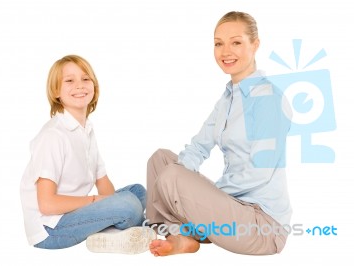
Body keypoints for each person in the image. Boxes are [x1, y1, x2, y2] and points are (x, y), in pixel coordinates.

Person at [146, 11, 292, 256]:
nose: (226, 51)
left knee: (172, 177)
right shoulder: (228, 98)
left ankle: (184, 230)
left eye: (236, 42)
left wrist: (199, 191)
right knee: (161, 160)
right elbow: (199, 147)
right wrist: (185, 183)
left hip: (261, 226)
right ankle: (179, 235)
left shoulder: (268, 99)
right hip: (230, 210)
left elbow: (260, 173)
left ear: (255, 45)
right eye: (218, 43)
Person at [20, 55, 155, 252]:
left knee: (137, 192)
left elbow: (103, 184)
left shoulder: (86, 130)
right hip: (50, 228)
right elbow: (47, 204)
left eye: (85, 79)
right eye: (69, 80)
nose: (80, 85)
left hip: (73, 212)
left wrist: (112, 205)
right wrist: (99, 202)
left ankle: (119, 230)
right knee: (129, 205)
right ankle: (143, 228)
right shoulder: (53, 136)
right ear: (56, 91)